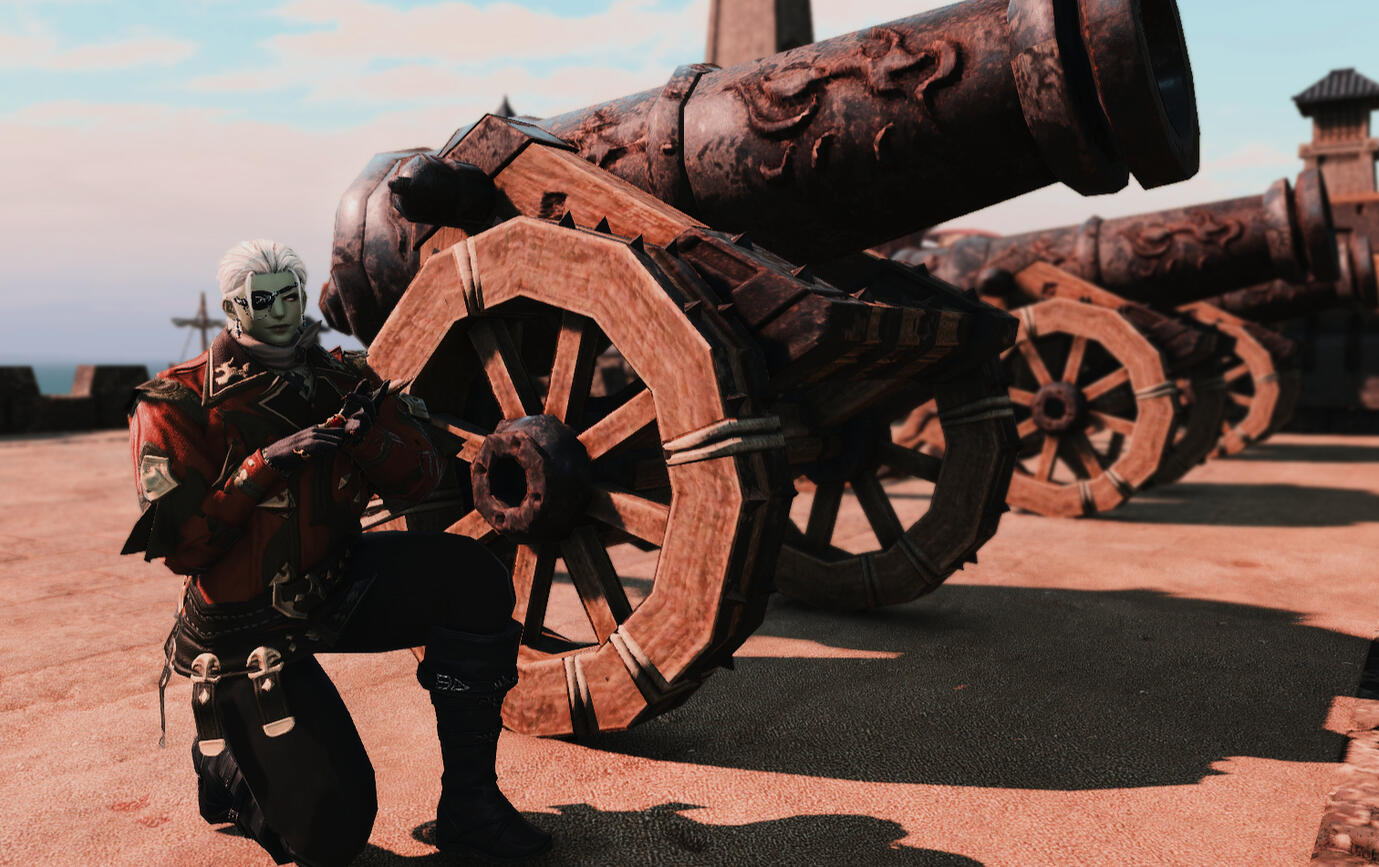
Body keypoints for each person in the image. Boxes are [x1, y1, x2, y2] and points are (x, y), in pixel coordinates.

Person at [122, 239, 551, 864]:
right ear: (233, 308)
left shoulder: (347, 377)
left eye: (289, 295)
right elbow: (185, 550)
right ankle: (226, 770)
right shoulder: (175, 402)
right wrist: (266, 464)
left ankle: (471, 804)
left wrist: (371, 440)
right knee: (331, 836)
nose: (279, 310)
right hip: (246, 625)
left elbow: (422, 482)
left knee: (473, 578)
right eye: (261, 300)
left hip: (336, 582)